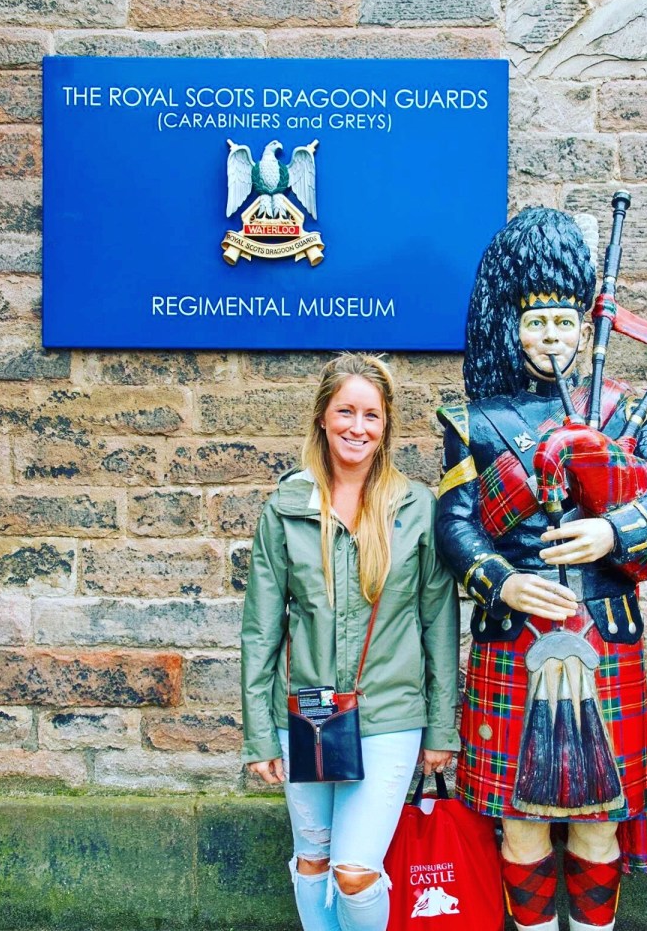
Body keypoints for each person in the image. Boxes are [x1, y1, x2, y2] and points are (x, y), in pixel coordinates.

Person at [435, 208, 647, 931]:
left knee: (598, 826)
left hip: (603, 632)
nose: (551, 336)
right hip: (513, 634)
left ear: (586, 331)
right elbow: (454, 524)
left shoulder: (617, 413)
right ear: (513, 329)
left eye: (564, 322)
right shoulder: (475, 422)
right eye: (537, 323)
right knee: (521, 828)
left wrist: (611, 530)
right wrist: (499, 579)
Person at [241, 353, 460, 931]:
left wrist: (442, 727)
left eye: (371, 415)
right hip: (306, 718)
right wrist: (259, 733)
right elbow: (261, 630)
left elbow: (438, 623)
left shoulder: (416, 508)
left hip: (389, 714)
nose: (357, 427)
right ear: (322, 416)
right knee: (313, 862)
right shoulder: (286, 508)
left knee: (355, 871)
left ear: (385, 425)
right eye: (345, 412)